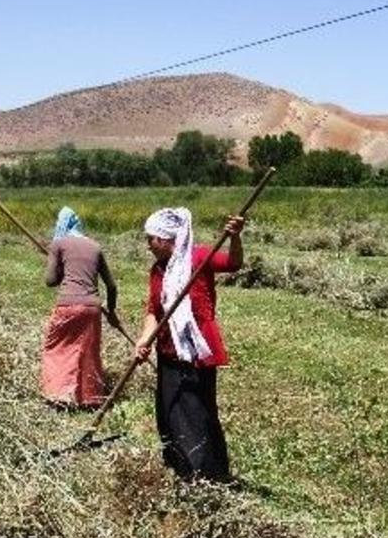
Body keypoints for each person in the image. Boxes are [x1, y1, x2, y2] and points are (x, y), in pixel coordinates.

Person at [135, 208, 245, 482]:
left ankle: (206, 475)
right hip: (168, 350)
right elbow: (153, 310)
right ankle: (180, 467)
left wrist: (234, 237)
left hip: (195, 350)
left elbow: (233, 263)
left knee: (197, 411)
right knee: (170, 409)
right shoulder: (158, 270)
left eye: (151, 239)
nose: (148, 245)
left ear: (166, 238)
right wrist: (144, 339)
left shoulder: (198, 257)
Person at [42, 206, 118, 408]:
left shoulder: (58, 244)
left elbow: (50, 281)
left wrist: (60, 268)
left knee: (56, 348)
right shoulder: (95, 246)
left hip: (68, 304)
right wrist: (111, 312)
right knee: (87, 350)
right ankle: (90, 398)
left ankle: (59, 396)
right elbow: (111, 286)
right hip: (92, 307)